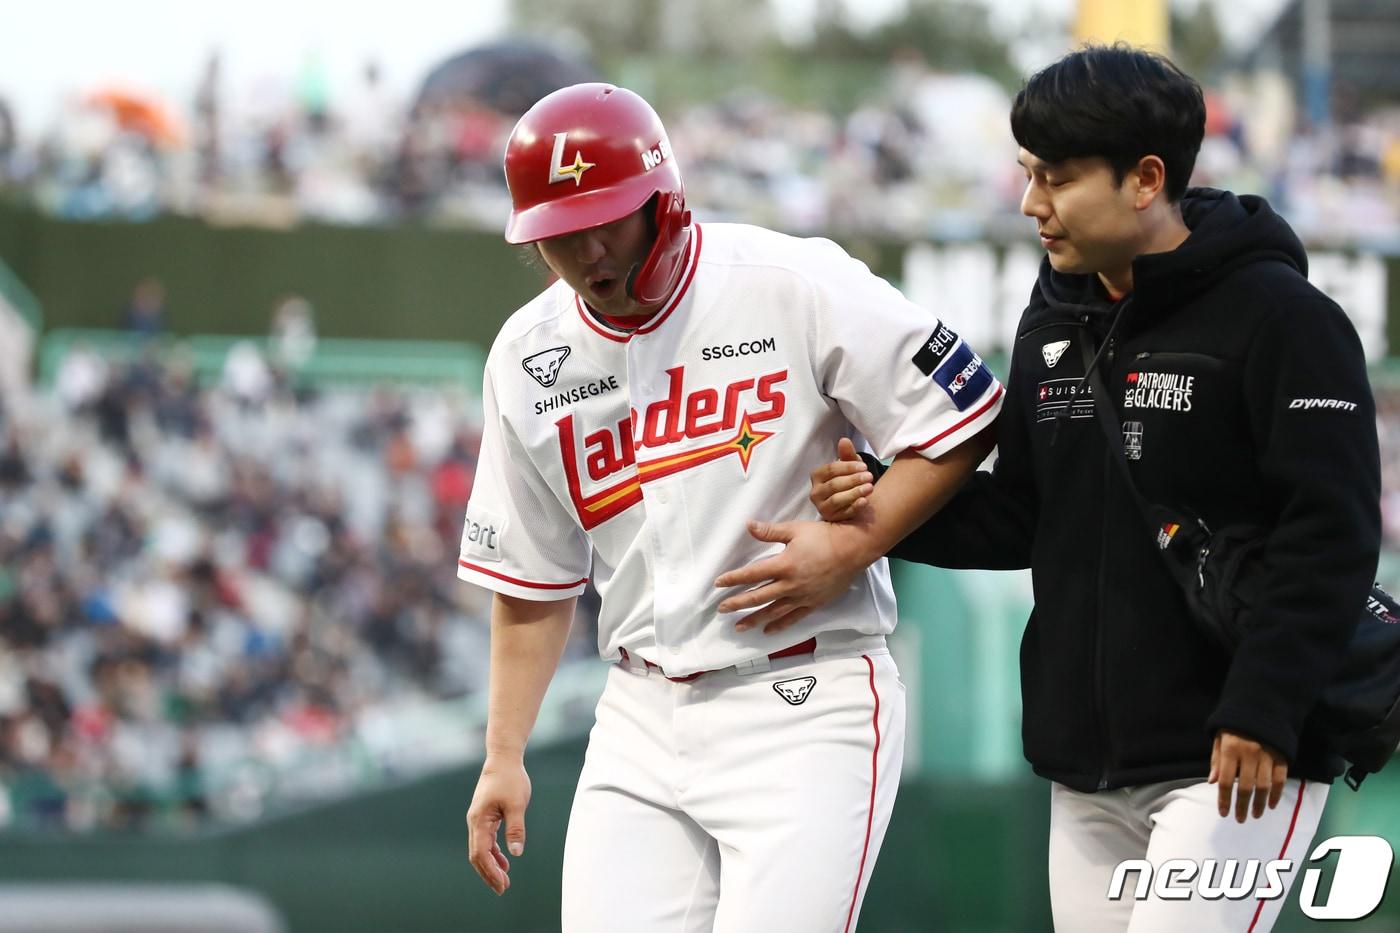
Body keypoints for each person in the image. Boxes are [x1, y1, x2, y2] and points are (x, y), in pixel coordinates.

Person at [740, 45, 1381, 932]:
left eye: (1058, 177)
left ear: (1145, 178)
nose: (1032, 202)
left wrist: (1265, 711)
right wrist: (881, 500)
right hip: (1082, 767)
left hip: (1232, 756)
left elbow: (1334, 531)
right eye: (1028, 173)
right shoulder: (1051, 317)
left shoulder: (1286, 318)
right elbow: (1022, 515)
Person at [458, 82, 1002, 932]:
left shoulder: (787, 279)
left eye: (609, 218)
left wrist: (856, 545)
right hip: (638, 709)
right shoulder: (528, 356)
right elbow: (532, 582)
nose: (590, 249)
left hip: (804, 693)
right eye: (562, 235)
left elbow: (964, 413)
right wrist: (503, 753)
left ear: (662, 200)